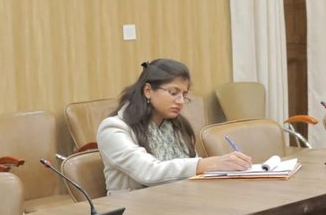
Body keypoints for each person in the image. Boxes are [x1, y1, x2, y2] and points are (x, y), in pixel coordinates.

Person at [96, 58, 251, 194]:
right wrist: (207, 163)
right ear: (148, 90)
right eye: (173, 92)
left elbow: (193, 172)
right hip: (133, 210)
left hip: (178, 201)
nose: (180, 101)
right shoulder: (113, 129)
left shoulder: (176, 125)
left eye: (184, 95)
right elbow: (148, 172)